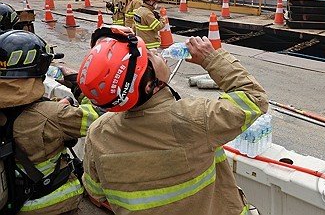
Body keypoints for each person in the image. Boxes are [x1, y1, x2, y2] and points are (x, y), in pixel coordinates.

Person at [79, 27, 268, 215]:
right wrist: (212, 58)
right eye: (150, 57)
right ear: (148, 86)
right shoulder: (194, 118)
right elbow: (254, 99)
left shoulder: (98, 134)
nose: (157, 53)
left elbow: (96, 192)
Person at [0, 30, 99, 214]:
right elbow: (99, 118)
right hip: (52, 204)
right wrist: (78, 86)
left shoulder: (49, 113)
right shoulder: (54, 116)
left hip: (11, 201)